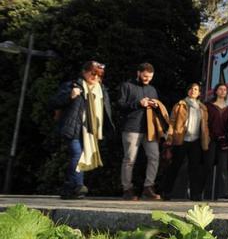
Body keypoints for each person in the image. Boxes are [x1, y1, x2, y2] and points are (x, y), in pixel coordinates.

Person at [49, 61, 114, 199]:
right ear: (84, 71)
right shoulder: (72, 85)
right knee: (77, 155)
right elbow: (54, 102)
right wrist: (70, 96)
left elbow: (105, 110)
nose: (95, 77)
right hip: (73, 127)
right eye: (93, 73)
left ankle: (68, 188)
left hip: (90, 130)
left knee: (83, 156)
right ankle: (79, 186)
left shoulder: (101, 89)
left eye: (99, 75)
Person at [117, 62, 167, 200]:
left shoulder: (152, 89)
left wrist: (156, 105)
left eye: (150, 77)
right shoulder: (127, 86)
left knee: (154, 156)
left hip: (149, 129)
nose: (147, 79)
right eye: (145, 76)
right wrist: (138, 104)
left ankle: (148, 187)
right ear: (138, 73)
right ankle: (127, 189)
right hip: (131, 128)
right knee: (129, 160)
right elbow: (120, 105)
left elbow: (157, 110)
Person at [162, 83, 210, 201]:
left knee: (195, 169)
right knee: (175, 166)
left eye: (196, 89)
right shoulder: (180, 105)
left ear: (199, 93)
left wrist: (206, 140)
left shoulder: (203, 108)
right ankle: (166, 192)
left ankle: (195, 194)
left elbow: (205, 126)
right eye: (191, 89)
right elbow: (172, 122)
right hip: (181, 139)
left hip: (196, 141)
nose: (193, 91)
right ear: (187, 91)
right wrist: (169, 138)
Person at [204, 83, 228, 200]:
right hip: (210, 139)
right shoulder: (208, 106)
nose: (223, 91)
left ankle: (223, 194)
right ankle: (204, 192)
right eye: (220, 89)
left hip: (223, 142)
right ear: (216, 91)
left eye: (225, 89)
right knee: (208, 165)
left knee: (223, 167)